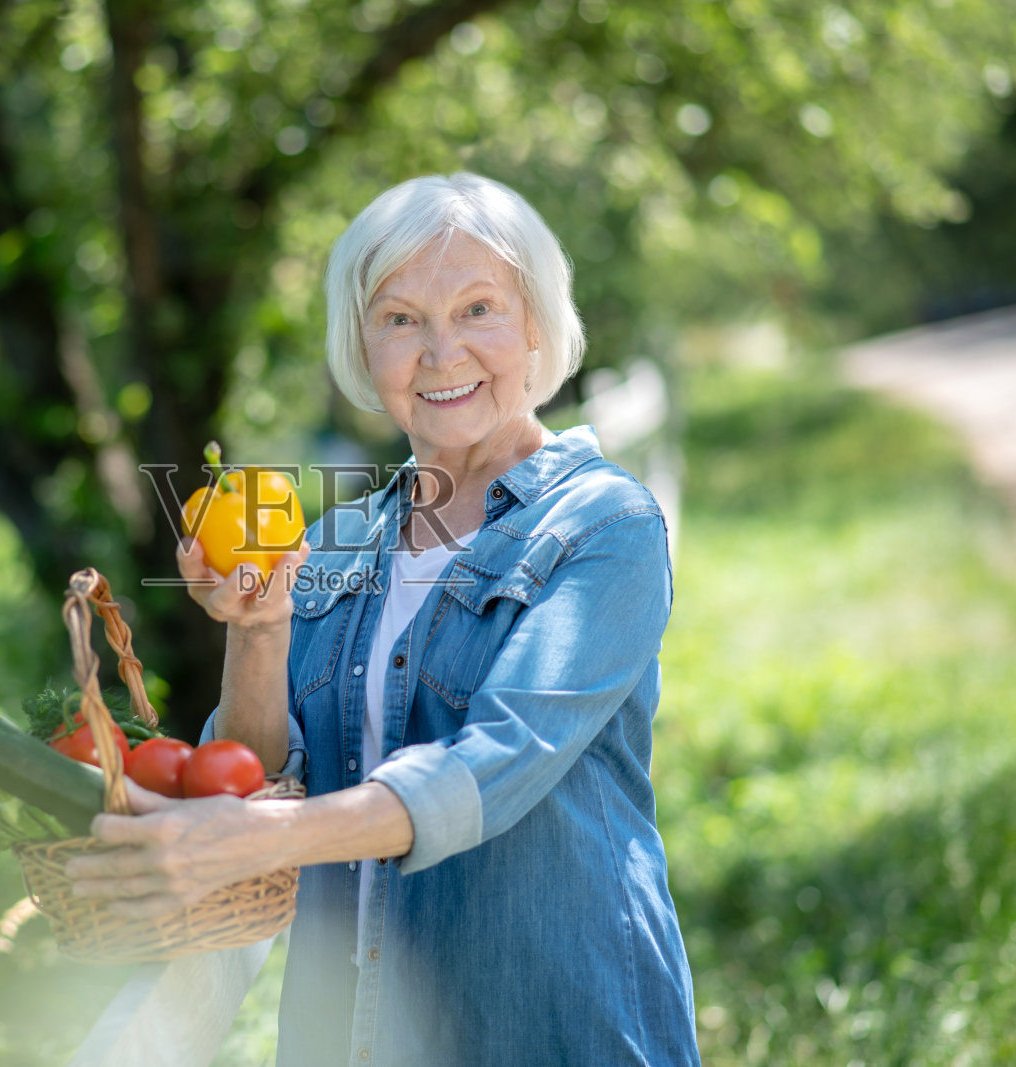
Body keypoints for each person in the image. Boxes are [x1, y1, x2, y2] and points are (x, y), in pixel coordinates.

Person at [65, 173, 700, 1066]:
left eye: (478, 307)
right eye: (400, 319)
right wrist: (258, 630)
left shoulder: (602, 527)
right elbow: (255, 770)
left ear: (535, 325)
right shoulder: (333, 540)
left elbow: (494, 763)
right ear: (363, 351)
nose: (440, 352)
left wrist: (262, 836)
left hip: (554, 1029)